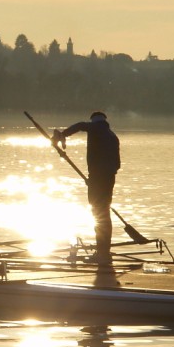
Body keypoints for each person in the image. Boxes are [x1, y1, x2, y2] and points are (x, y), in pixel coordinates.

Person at [52, 112, 120, 264]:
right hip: (108, 178)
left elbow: (80, 125)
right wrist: (98, 178)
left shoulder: (95, 129)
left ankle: (102, 254)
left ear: (94, 122)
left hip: (98, 178)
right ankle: (104, 252)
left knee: (98, 213)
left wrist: (63, 134)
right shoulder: (113, 136)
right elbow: (117, 164)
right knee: (104, 213)